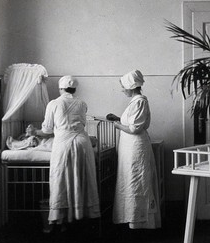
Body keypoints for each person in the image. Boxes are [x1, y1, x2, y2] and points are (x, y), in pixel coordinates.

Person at [31, 75, 100, 230]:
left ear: (60, 88)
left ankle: (62, 219)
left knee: (61, 178)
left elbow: (47, 130)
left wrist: (34, 131)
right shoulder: (82, 103)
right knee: (83, 177)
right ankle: (82, 217)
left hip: (63, 144)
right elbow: (80, 123)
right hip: (82, 143)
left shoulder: (54, 104)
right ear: (74, 89)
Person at [107, 70, 161, 229]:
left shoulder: (140, 102)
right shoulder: (135, 102)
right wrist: (118, 118)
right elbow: (132, 122)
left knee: (136, 180)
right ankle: (132, 218)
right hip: (129, 147)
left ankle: (139, 221)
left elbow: (135, 128)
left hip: (135, 147)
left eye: (124, 87)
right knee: (130, 180)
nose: (122, 90)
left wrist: (117, 125)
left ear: (131, 87)